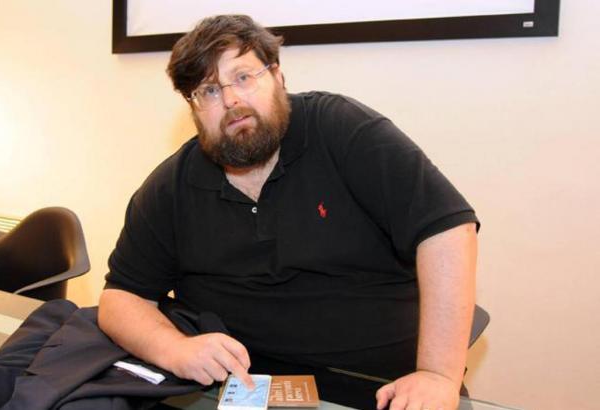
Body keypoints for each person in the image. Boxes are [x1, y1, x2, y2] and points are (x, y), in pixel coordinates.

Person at [99, 14, 479, 410]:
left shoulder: (342, 129)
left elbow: (447, 230)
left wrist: (437, 374)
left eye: (243, 77)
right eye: (208, 90)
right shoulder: (173, 185)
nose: (231, 100)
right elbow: (121, 297)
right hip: (241, 389)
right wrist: (175, 349)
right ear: (193, 108)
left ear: (278, 76)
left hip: (385, 387)